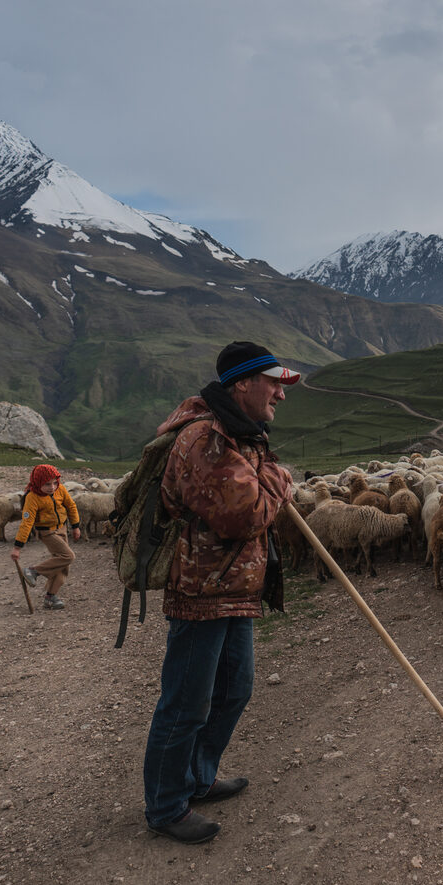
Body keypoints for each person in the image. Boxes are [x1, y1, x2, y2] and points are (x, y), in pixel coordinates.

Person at [143, 341, 299, 845]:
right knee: (186, 702)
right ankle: (166, 806)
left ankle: (197, 778)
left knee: (234, 690)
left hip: (234, 587)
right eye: (274, 382)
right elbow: (243, 515)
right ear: (242, 383)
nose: (281, 393)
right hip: (200, 588)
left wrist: (265, 474)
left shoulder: (240, 433)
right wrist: (279, 477)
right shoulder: (205, 439)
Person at [10, 464, 80, 611]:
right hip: (47, 532)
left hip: (62, 529)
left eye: (55, 483)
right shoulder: (32, 497)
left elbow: (71, 505)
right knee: (68, 556)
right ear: (38, 483)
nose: (52, 487)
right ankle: (33, 571)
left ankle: (50, 597)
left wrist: (75, 526)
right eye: (47, 484)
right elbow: (27, 522)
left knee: (63, 566)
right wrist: (17, 547)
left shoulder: (60, 489)